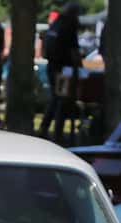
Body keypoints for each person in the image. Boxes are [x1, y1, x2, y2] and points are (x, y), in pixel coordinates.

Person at [40, 1, 84, 139]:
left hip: (51, 66)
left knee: (55, 97)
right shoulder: (69, 25)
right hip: (64, 69)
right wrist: (79, 68)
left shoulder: (56, 22)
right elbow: (74, 49)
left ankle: (44, 127)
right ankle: (57, 131)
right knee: (62, 100)